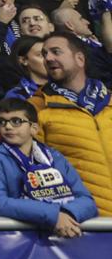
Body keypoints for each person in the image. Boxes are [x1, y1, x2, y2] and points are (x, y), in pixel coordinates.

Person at [0, 97, 98, 237]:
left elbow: (86, 200)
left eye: (16, 121)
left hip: (63, 234)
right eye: (2, 121)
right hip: (16, 241)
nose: (8, 126)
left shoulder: (54, 157)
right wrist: (53, 215)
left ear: (34, 128)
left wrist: (67, 214)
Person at [30, 33, 112, 208]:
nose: (48, 58)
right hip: (85, 222)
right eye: (44, 54)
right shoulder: (37, 107)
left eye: (56, 52)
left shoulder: (109, 100)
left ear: (80, 59)